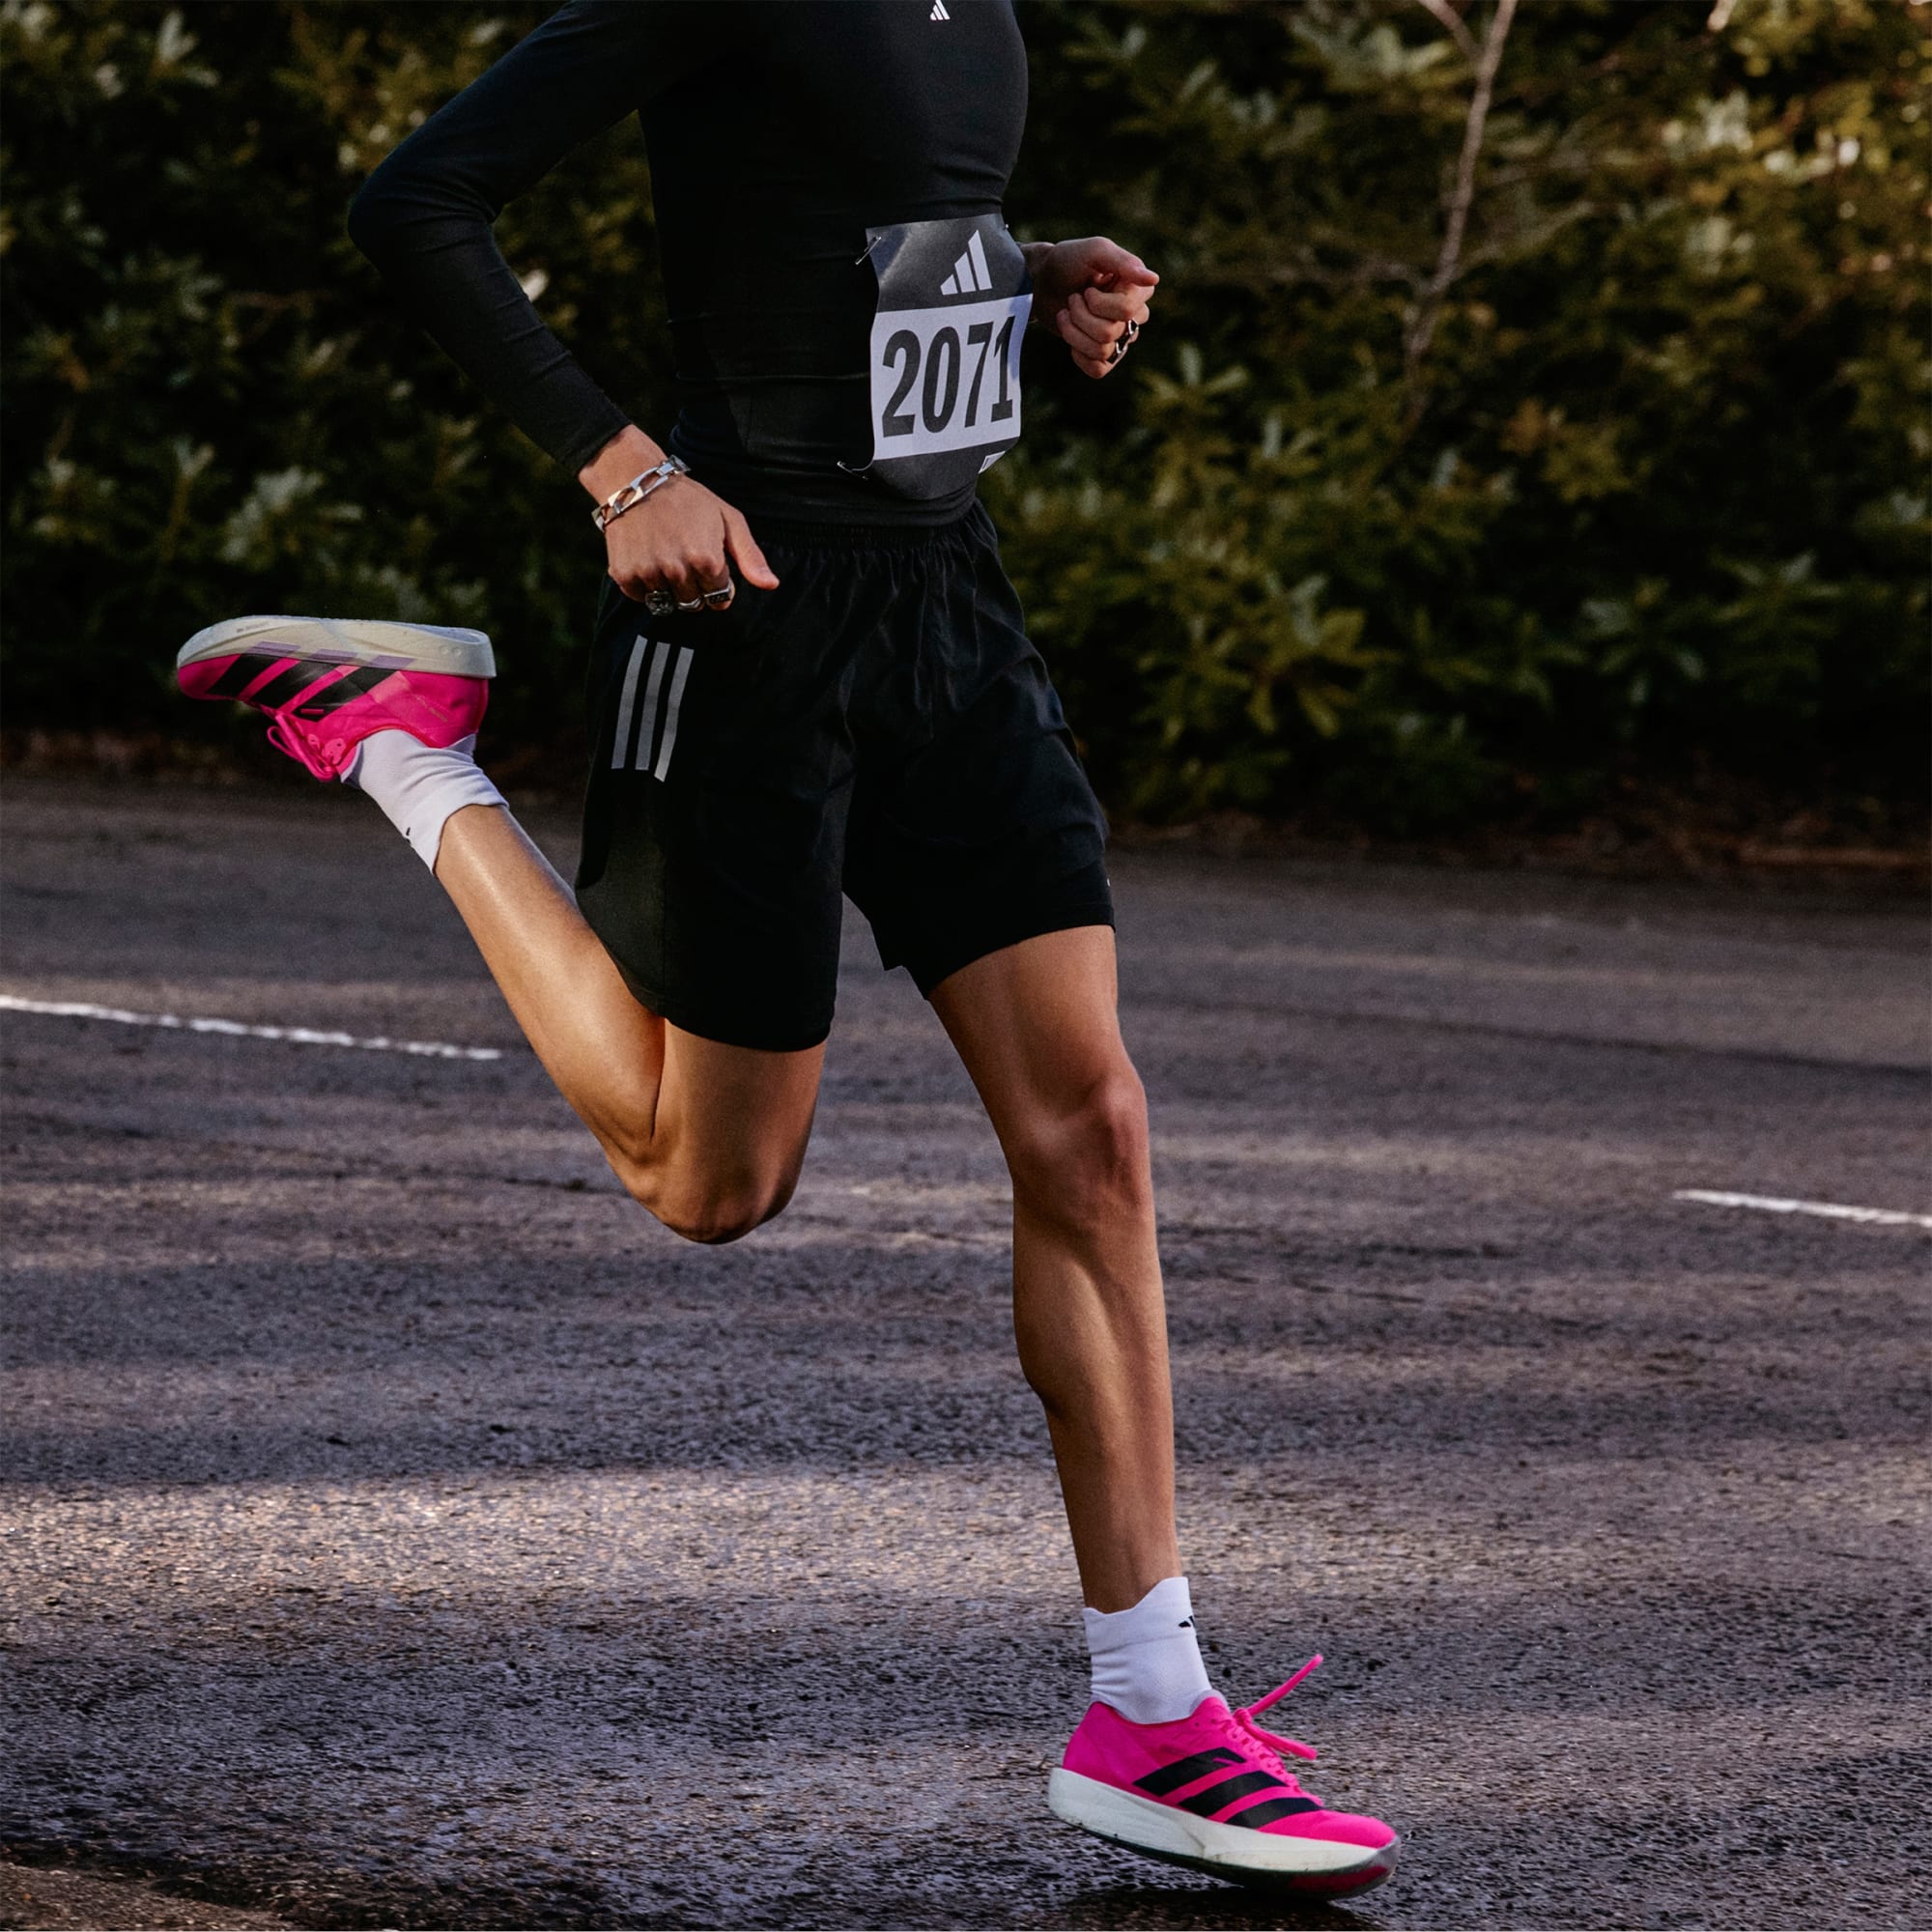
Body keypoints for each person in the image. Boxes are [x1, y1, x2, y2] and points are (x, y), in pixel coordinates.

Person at [176, 0, 1397, 1895]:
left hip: (945, 603)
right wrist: (624, 469)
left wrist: (1021, 279)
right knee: (712, 1178)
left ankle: (1152, 1709)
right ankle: (406, 751)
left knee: (1093, 1132)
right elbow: (419, 201)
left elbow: (840, 225)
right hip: (741, 614)